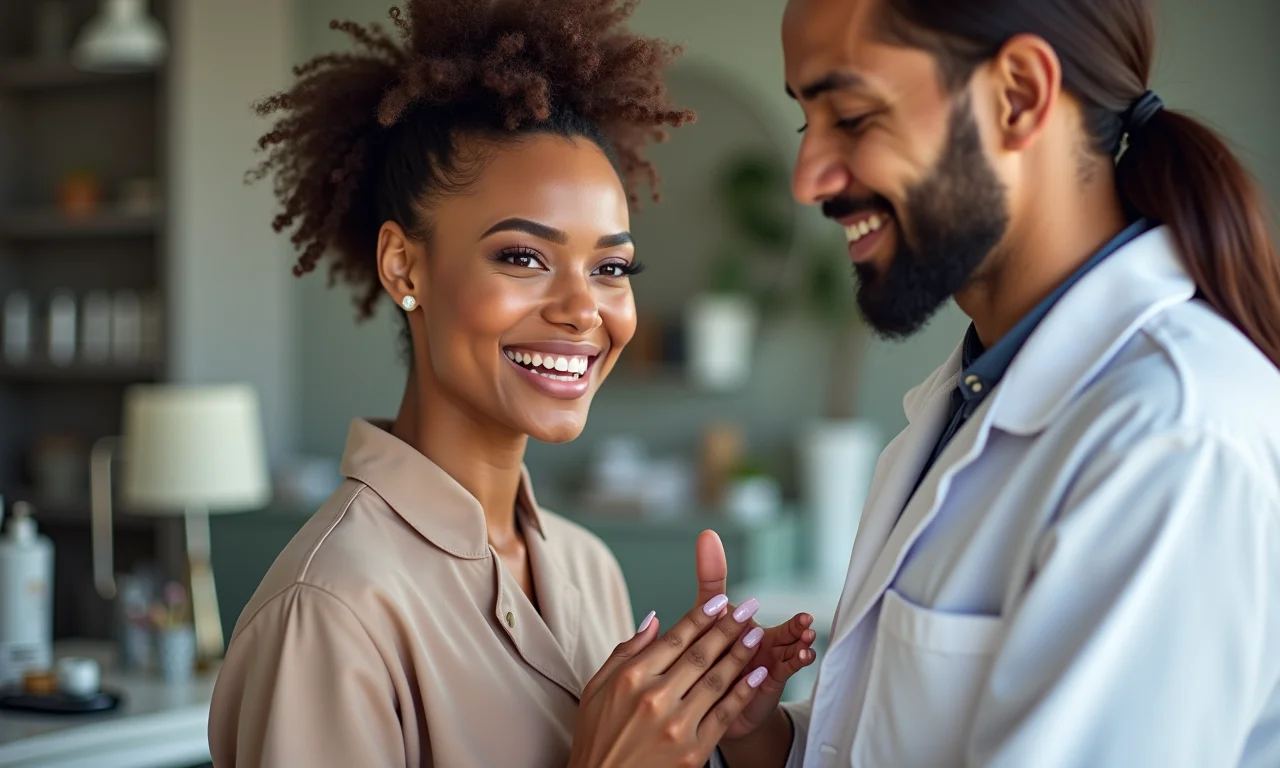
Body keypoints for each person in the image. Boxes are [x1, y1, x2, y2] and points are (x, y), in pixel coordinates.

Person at [206, 1, 817, 766]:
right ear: (404, 266)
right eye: (523, 257)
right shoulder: (331, 610)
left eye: (611, 268)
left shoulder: (588, 566)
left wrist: (736, 735)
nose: (581, 310)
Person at [708, 0, 1280, 766]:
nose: (808, 179)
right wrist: (766, 738)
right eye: (806, 121)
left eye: (850, 116)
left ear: (1017, 96)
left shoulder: (1170, 435)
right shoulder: (969, 400)